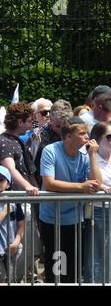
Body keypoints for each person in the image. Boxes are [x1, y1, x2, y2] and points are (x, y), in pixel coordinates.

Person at [39, 117, 102, 283]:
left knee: (73, 270)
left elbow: (97, 184)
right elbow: (49, 183)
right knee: (56, 269)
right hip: (52, 220)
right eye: (82, 133)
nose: (87, 136)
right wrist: (81, 187)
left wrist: (93, 155)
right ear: (68, 136)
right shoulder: (50, 150)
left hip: (75, 220)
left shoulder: (86, 154)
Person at [0, 165, 25, 283]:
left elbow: (21, 225)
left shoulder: (14, 200)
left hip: (11, 247)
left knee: (11, 280)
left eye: (1, 179)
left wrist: (16, 242)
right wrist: (5, 211)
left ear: (8, 184)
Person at [83, 122, 111, 283]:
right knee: (95, 256)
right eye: (110, 137)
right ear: (97, 140)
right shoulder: (90, 158)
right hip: (98, 212)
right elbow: (93, 182)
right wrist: (105, 188)